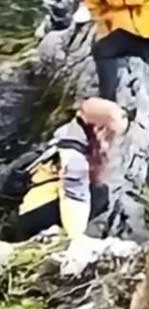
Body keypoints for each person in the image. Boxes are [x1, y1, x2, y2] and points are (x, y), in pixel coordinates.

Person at [10, 98, 128, 242]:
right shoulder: (75, 159)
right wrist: (75, 239)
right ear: (100, 130)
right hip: (33, 217)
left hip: (30, 202)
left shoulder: (70, 130)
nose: (115, 142)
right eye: (113, 136)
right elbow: (74, 198)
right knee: (99, 195)